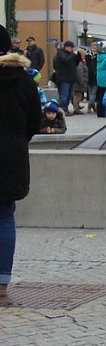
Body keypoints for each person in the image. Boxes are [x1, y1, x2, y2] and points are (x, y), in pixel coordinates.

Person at [0, 25, 41, 298]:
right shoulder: (24, 79)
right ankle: (2, 281)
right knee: (5, 215)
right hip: (13, 153)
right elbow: (35, 121)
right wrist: (17, 140)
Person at [53, 40, 78, 115]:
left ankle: (65, 108)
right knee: (64, 95)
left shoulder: (71, 55)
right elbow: (66, 61)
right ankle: (63, 109)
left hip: (71, 78)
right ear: (67, 47)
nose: (72, 49)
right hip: (63, 78)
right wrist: (74, 54)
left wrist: (78, 56)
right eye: (71, 47)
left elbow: (75, 64)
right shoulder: (61, 53)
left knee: (69, 95)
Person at [71, 47, 88, 116]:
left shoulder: (81, 61)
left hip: (79, 81)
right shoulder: (79, 62)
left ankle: (77, 107)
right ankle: (76, 109)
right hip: (79, 82)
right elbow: (79, 73)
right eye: (84, 54)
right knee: (77, 96)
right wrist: (82, 82)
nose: (85, 55)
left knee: (78, 95)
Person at [85, 43, 100, 114]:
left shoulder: (99, 56)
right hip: (88, 76)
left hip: (95, 77)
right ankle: (92, 106)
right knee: (89, 92)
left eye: (95, 47)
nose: (94, 48)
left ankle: (90, 105)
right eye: (93, 46)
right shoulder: (87, 56)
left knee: (94, 93)